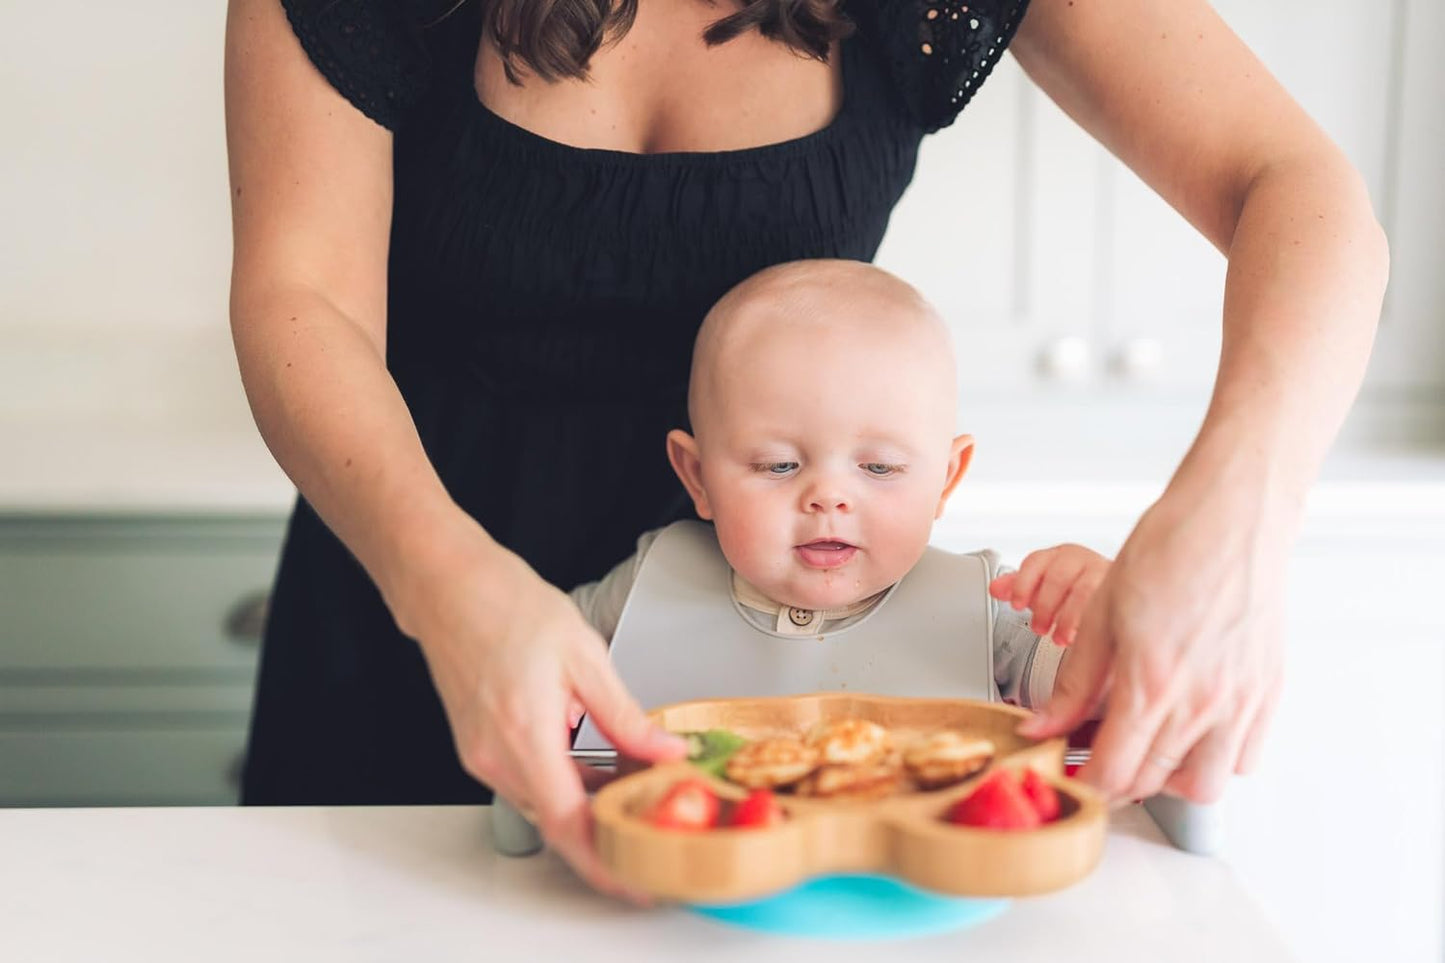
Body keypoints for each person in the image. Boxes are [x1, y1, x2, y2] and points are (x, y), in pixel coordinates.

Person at [224, 0, 1389, 900]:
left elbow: (1293, 186)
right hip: (414, 600)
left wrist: (1236, 520)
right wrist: (445, 583)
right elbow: (300, 297)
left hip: (797, 677)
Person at [565, 260, 1109, 734]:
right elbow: (535, 656)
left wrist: (1106, 616)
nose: (828, 498)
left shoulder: (985, 607)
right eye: (779, 465)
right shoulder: (651, 580)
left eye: (879, 467)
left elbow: (1100, 691)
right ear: (698, 478)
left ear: (945, 479)